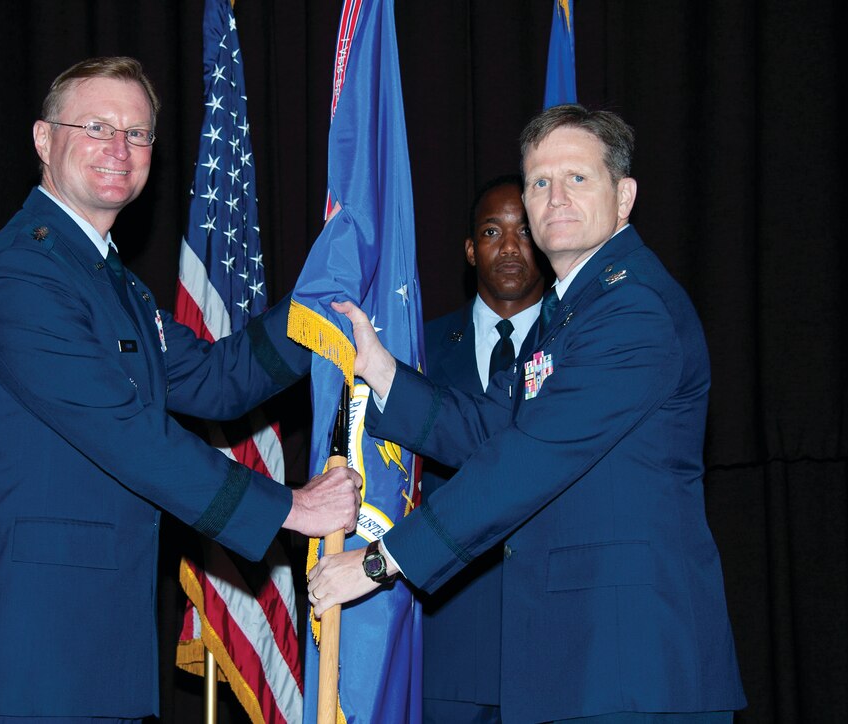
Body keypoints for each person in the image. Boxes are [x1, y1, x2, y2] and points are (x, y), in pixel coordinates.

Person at [0, 56, 362, 722]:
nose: (119, 148)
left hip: (102, 640)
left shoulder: (110, 283)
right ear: (44, 141)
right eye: (97, 126)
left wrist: (318, 307)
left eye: (137, 134)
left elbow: (219, 381)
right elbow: (129, 435)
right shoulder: (23, 276)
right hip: (36, 644)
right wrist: (289, 509)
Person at [308, 105, 747, 723]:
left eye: (577, 178)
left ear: (624, 197)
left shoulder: (633, 311)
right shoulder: (568, 312)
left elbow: (526, 459)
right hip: (578, 664)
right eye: (540, 181)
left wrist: (385, 561)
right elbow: (488, 427)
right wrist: (382, 372)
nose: (555, 198)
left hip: (631, 669)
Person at [420, 175, 545, 724]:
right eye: (494, 231)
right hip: (448, 641)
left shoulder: (584, 343)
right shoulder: (414, 350)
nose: (511, 246)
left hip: (556, 641)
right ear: (471, 250)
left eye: (524, 231)